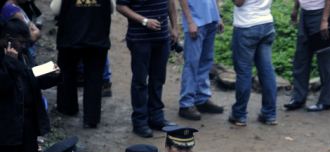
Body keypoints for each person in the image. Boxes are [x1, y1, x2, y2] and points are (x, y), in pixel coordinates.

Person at [0, 18, 55, 152]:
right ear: (8, 40)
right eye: (21, 41)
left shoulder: (22, 56)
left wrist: (51, 74)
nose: (25, 45)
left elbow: (30, 79)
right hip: (6, 129)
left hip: (27, 125)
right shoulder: (6, 59)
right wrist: (11, 63)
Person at [116, 0, 178, 138]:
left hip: (162, 38)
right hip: (139, 39)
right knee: (140, 81)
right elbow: (120, 6)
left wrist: (174, 27)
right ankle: (140, 121)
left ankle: (156, 116)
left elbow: (170, 3)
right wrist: (144, 21)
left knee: (158, 79)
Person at [51, 0, 112, 128]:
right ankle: (91, 118)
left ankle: (68, 107)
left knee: (67, 73)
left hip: (70, 37)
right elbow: (111, 8)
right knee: (94, 78)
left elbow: (55, 8)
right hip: (97, 37)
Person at [227, 0, 277, 127]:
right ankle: (269, 114)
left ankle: (239, 114)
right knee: (267, 71)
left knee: (244, 72)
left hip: (247, 25)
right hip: (266, 22)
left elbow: (239, 2)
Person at [283, 0, 330, 112]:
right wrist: (295, 9)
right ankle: (298, 97)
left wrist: (324, 20)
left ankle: (326, 101)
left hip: (321, 13)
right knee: (301, 57)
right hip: (305, 13)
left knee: (325, 59)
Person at [176, 0, 224, 121]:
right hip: (195, 22)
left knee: (206, 61)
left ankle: (201, 99)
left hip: (211, 19)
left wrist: (218, 16)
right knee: (192, 63)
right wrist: (190, 21)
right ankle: (186, 104)